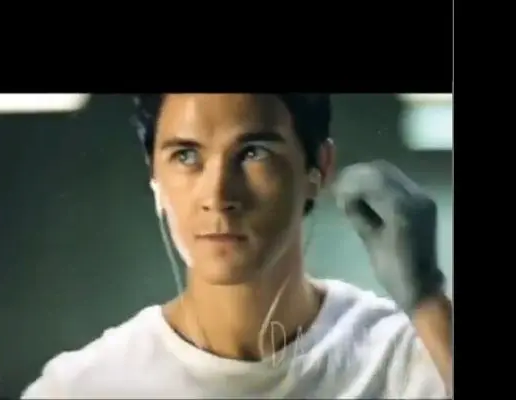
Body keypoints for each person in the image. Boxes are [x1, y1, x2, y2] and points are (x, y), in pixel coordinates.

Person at [22, 94, 452, 398]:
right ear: (154, 175)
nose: (218, 195)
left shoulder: (405, 359)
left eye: (252, 152)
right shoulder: (84, 387)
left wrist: (429, 302)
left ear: (318, 167)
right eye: (186, 156)